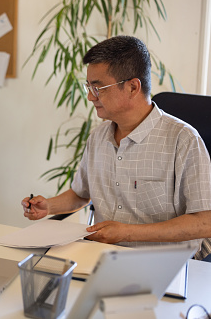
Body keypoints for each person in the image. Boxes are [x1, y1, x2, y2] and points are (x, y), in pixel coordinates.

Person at [21, 36, 211, 254]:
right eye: (88, 87)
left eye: (98, 88)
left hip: (164, 262)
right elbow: (81, 194)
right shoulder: (98, 137)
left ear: (132, 87)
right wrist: (49, 206)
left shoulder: (184, 140)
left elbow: (205, 222)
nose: (91, 98)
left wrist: (127, 233)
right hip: (104, 257)